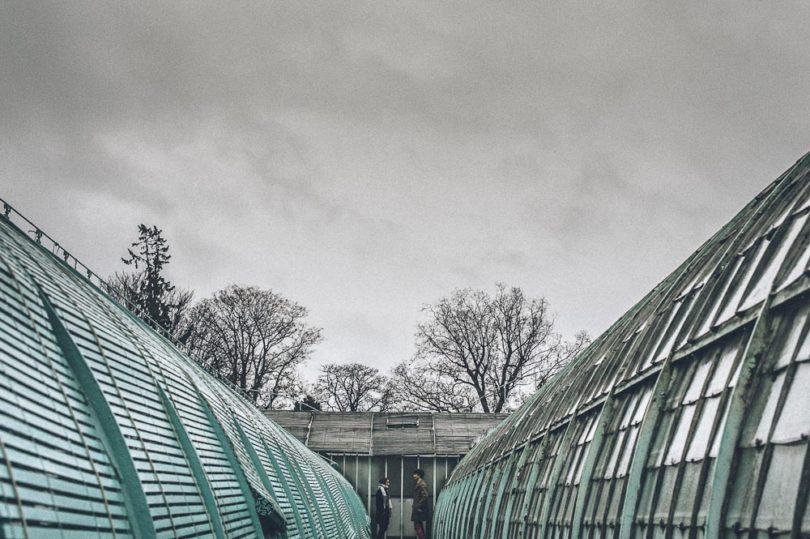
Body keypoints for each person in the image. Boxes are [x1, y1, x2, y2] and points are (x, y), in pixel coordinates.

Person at [411, 469, 430, 539]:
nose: (413, 476)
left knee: (417, 525)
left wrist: (417, 505)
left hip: (419, 509)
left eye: (415, 474)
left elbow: (425, 495)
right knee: (419, 525)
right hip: (418, 508)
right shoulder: (419, 483)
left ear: (419, 475)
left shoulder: (421, 483)